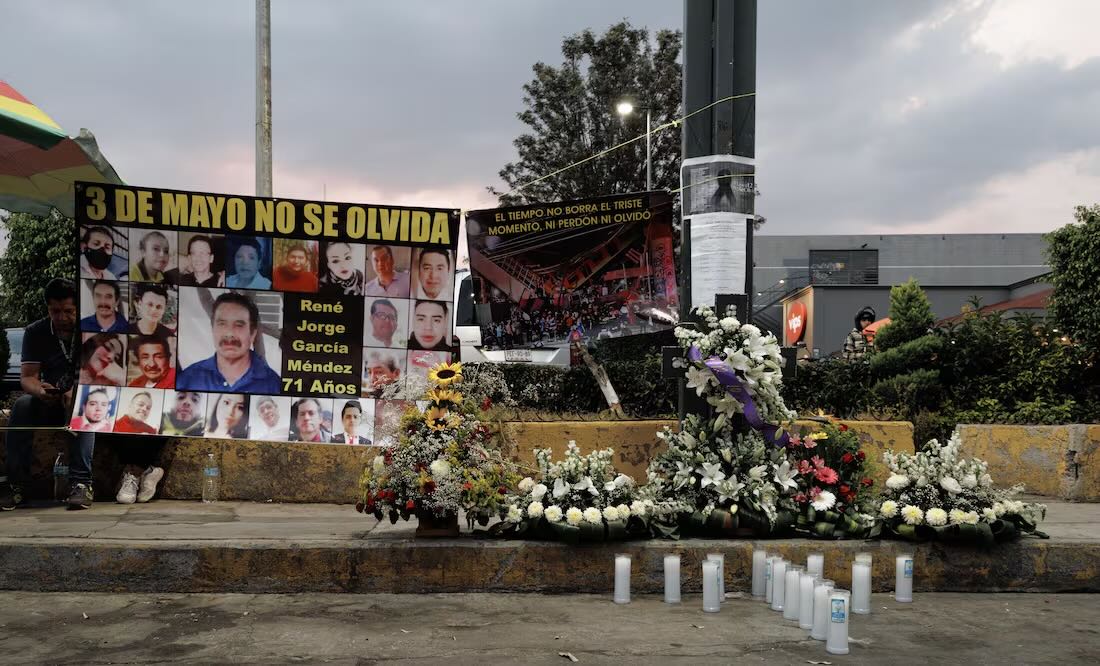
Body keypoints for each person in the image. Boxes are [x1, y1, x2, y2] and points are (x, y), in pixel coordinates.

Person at [1, 279, 98, 510]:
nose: (62, 318)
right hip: (51, 400)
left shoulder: (91, 331)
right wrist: (40, 390)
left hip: (89, 400)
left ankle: (81, 483)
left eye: (68, 311)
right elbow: (27, 377)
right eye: (55, 312)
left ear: (78, 309)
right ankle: (16, 485)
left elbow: (102, 375)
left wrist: (77, 390)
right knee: (22, 405)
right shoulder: (36, 331)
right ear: (48, 309)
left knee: (82, 403)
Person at [176, 291, 281, 393]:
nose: (229, 333)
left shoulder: (275, 385)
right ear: (213, 330)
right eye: (222, 324)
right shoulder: (187, 380)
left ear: (253, 334)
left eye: (239, 325)